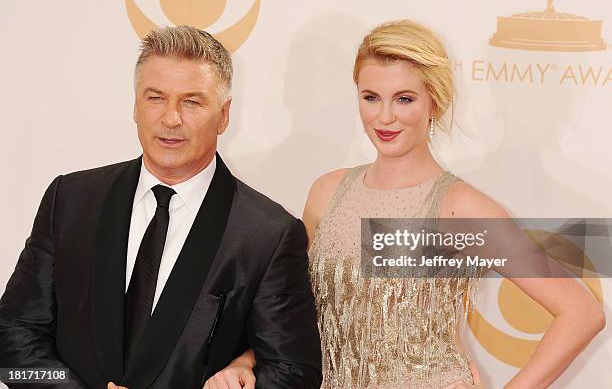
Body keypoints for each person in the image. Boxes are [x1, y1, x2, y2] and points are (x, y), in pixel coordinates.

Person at [206, 20, 605, 388]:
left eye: (404, 99)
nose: (385, 116)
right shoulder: (327, 192)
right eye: (371, 97)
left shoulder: (460, 208)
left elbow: (582, 313)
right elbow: (291, 306)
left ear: (435, 101)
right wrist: (247, 360)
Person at [0, 26, 322, 388]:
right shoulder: (71, 200)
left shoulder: (268, 234)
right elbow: (12, 338)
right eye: (155, 98)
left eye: (192, 101)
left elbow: (294, 372)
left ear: (224, 115)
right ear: (135, 105)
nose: (171, 118)